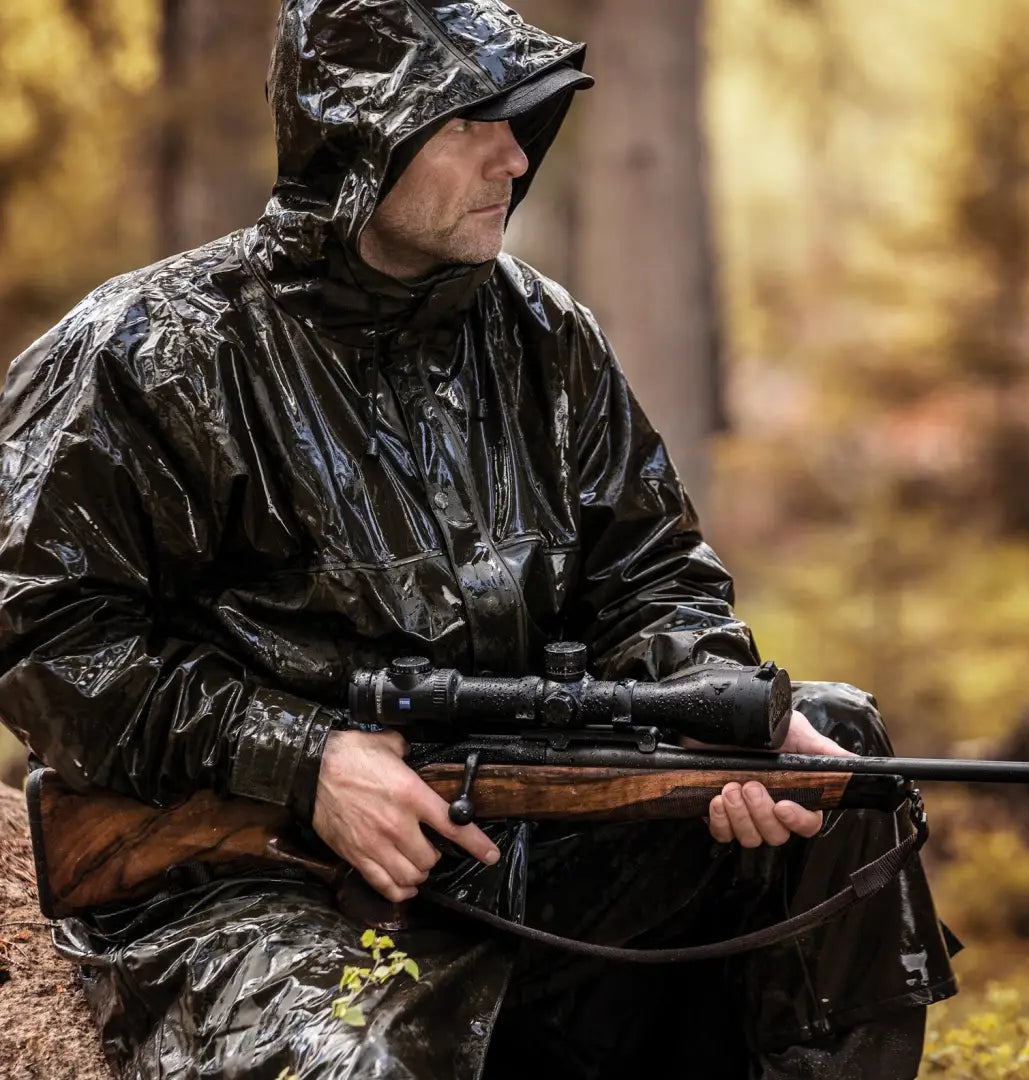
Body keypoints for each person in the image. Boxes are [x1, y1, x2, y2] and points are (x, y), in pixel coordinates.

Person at [0, 1, 957, 1077]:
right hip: (251, 882)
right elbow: (43, 636)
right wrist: (304, 758)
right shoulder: (147, 352)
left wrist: (722, 706)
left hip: (525, 834)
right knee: (354, 1060)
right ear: (363, 135)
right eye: (473, 122)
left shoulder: (549, 339)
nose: (515, 155)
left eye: (522, 121)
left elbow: (651, 578)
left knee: (839, 757)